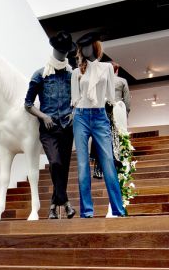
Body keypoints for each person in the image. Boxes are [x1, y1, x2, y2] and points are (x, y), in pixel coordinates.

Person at [71, 33, 126, 218]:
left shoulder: (107, 69)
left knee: (108, 163)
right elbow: (75, 99)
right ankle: (87, 212)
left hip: (100, 116)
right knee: (82, 165)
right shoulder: (77, 72)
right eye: (82, 47)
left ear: (95, 47)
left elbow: (111, 96)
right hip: (80, 117)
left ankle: (118, 210)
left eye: (88, 46)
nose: (84, 50)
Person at [24, 30, 76, 219]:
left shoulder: (72, 75)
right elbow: (28, 104)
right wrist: (44, 116)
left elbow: (79, 100)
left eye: (65, 51)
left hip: (67, 128)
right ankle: (67, 202)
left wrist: (75, 112)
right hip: (49, 130)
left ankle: (54, 206)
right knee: (54, 162)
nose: (63, 54)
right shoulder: (40, 75)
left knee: (63, 168)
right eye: (60, 50)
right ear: (54, 49)